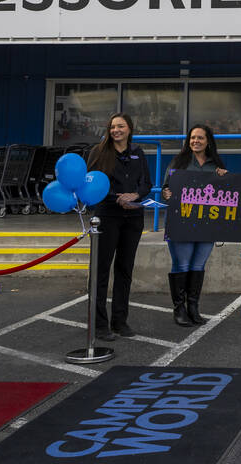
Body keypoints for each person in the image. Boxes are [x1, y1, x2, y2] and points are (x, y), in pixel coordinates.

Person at [87, 112, 151, 340]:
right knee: (100, 271)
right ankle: (100, 325)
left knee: (125, 270)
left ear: (129, 129)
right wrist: (117, 197)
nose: (116, 130)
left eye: (121, 126)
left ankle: (120, 321)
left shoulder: (138, 153)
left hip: (133, 217)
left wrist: (136, 194)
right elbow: (91, 184)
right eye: (113, 126)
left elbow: (146, 183)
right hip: (108, 215)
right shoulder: (99, 152)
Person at [161, 125, 227, 326]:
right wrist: (166, 194)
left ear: (208, 141)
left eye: (200, 138)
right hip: (181, 222)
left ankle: (193, 307)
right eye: (192, 137)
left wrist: (225, 178)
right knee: (182, 264)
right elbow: (166, 188)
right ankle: (179, 309)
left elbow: (224, 194)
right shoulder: (179, 162)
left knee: (198, 265)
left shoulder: (215, 164)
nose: (195, 141)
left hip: (206, 223)